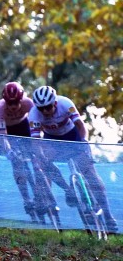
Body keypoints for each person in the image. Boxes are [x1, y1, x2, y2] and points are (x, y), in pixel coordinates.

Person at [28, 85, 117, 231]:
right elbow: (35, 141)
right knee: (41, 161)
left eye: (48, 107)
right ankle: (68, 189)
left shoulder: (65, 104)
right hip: (53, 140)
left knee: (89, 172)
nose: (45, 111)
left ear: (55, 103)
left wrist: (83, 141)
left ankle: (108, 216)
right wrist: (41, 156)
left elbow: (81, 126)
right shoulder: (33, 115)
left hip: (73, 136)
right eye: (41, 108)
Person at [0, 82, 64, 219]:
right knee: (17, 163)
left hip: (25, 127)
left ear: (21, 99)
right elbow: (2, 135)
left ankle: (45, 194)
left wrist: (40, 145)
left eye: (16, 103)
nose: (13, 107)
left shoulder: (28, 103)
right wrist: (9, 151)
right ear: (5, 101)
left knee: (39, 159)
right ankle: (27, 199)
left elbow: (38, 124)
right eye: (10, 103)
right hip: (10, 132)